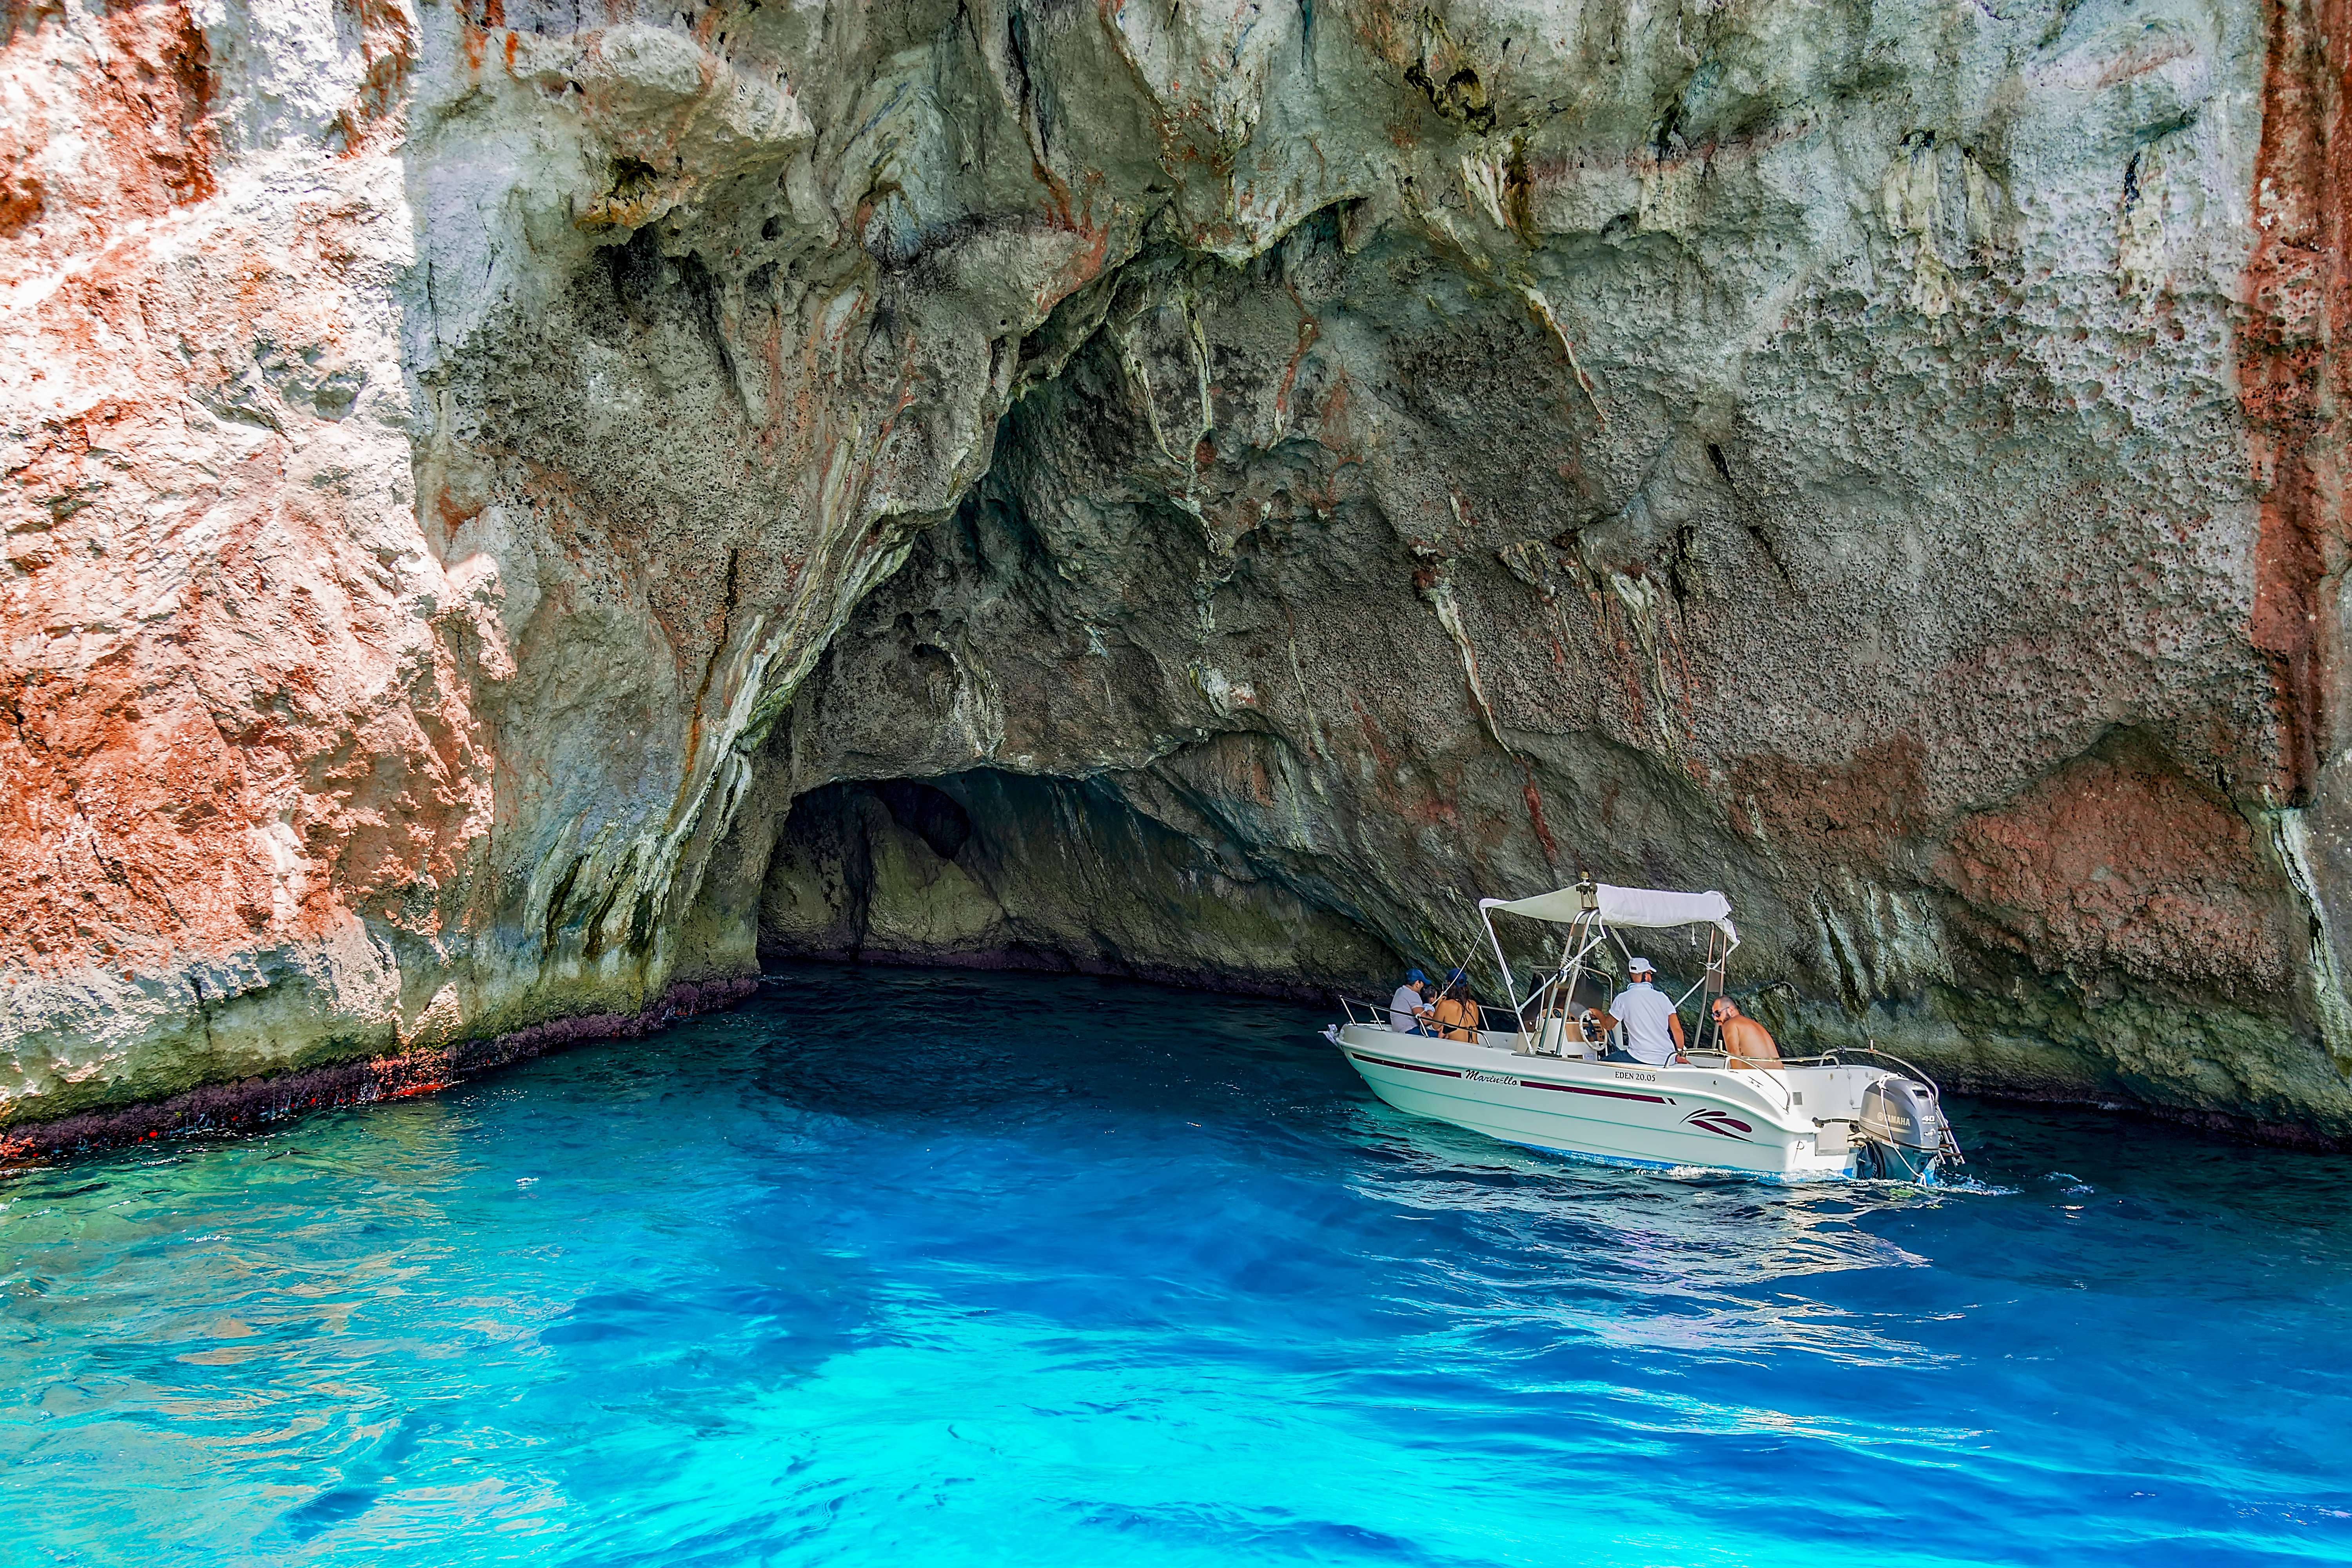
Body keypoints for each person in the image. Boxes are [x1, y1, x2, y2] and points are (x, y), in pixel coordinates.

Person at [1606, 957, 1686, 1066]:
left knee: (1602, 1063)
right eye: (1651, 974)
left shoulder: (1623, 999)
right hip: (1667, 1058)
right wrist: (1680, 1055)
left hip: (1639, 1057)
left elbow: (1608, 1026)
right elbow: (1677, 1030)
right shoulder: (1663, 998)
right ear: (1646, 975)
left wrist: (1597, 1013)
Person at [1711, 996, 1782, 1070]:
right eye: (1713, 1015)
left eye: (1718, 1013)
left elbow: (1734, 1053)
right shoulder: (1756, 1025)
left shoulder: (1730, 1024)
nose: (1715, 1019)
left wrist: (1737, 1076)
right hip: (1780, 1076)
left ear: (1731, 1010)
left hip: (1759, 1076)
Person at [1388, 970, 1436, 1034]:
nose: (1423, 988)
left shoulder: (1400, 991)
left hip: (1399, 1030)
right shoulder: (1413, 994)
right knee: (1442, 1036)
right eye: (1423, 984)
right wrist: (1436, 1019)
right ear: (1417, 983)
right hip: (1410, 1031)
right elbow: (1425, 1021)